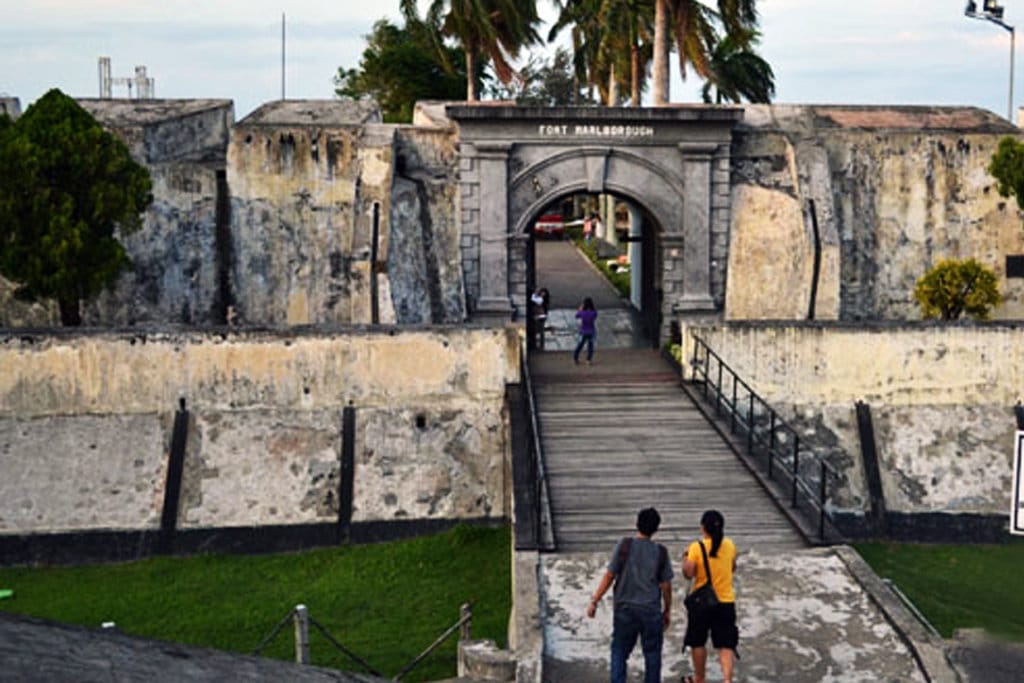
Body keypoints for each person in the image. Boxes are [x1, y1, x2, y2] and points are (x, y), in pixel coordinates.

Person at [586, 507, 673, 683]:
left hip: (625, 608)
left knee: (619, 651)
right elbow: (666, 586)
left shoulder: (624, 545)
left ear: (636, 524)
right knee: (652, 654)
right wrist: (667, 610)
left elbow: (610, 575)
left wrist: (595, 600)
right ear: (656, 529)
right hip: (650, 609)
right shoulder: (661, 552)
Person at [682, 510, 738, 683]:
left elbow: (688, 574)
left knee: (698, 641)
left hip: (702, 603)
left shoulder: (696, 548)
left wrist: (685, 557)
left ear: (703, 527)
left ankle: (699, 679)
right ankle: (727, 680)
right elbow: (732, 568)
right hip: (726, 601)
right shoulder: (730, 545)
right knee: (726, 644)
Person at [573, 297, 597, 365]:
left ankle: (575, 358)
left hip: (583, 331)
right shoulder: (593, 312)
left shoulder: (582, 313)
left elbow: (576, 316)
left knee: (580, 345)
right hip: (591, 331)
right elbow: (595, 317)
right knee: (590, 346)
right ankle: (588, 360)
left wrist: (580, 309)